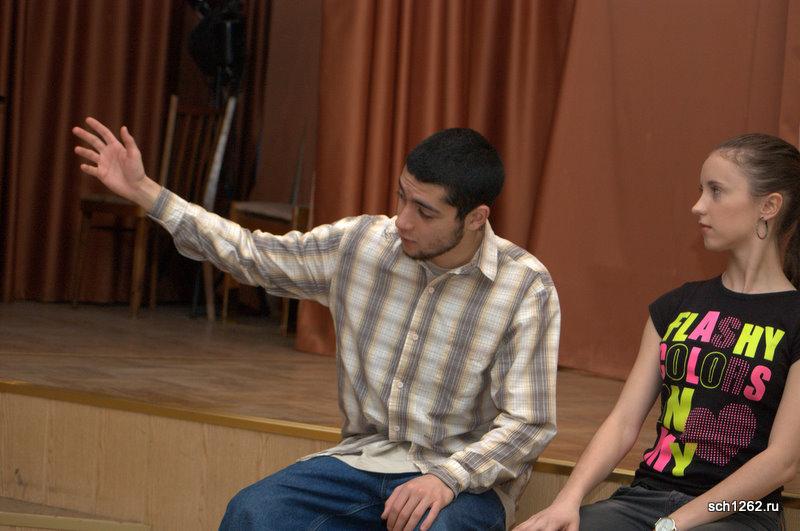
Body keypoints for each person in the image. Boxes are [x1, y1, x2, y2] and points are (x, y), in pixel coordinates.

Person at [73, 119, 561, 531]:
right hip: (365, 461)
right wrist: (146, 191)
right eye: (401, 198)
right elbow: (253, 254)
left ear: (475, 218)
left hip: (462, 481)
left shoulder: (524, 287)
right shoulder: (361, 245)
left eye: (424, 211)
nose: (402, 221)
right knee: (253, 514)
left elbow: (529, 422)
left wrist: (447, 478)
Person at [515, 133, 800, 531]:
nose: (698, 206)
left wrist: (674, 524)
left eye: (716, 191)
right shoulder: (676, 305)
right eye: (701, 190)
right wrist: (567, 501)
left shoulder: (794, 318)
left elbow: (783, 461)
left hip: (741, 512)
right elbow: (623, 422)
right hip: (646, 499)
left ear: (768, 206)